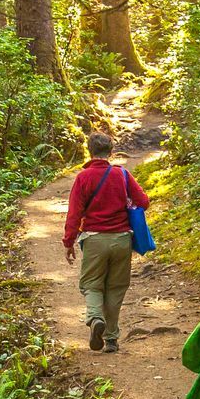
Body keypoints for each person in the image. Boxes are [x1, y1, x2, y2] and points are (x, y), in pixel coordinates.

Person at [63, 132, 150, 353]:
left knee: (91, 285)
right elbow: (143, 202)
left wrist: (68, 241)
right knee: (116, 288)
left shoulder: (83, 178)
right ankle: (111, 338)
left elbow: (74, 213)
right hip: (122, 240)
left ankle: (95, 318)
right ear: (110, 152)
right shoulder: (122, 174)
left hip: (94, 239)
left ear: (89, 151)